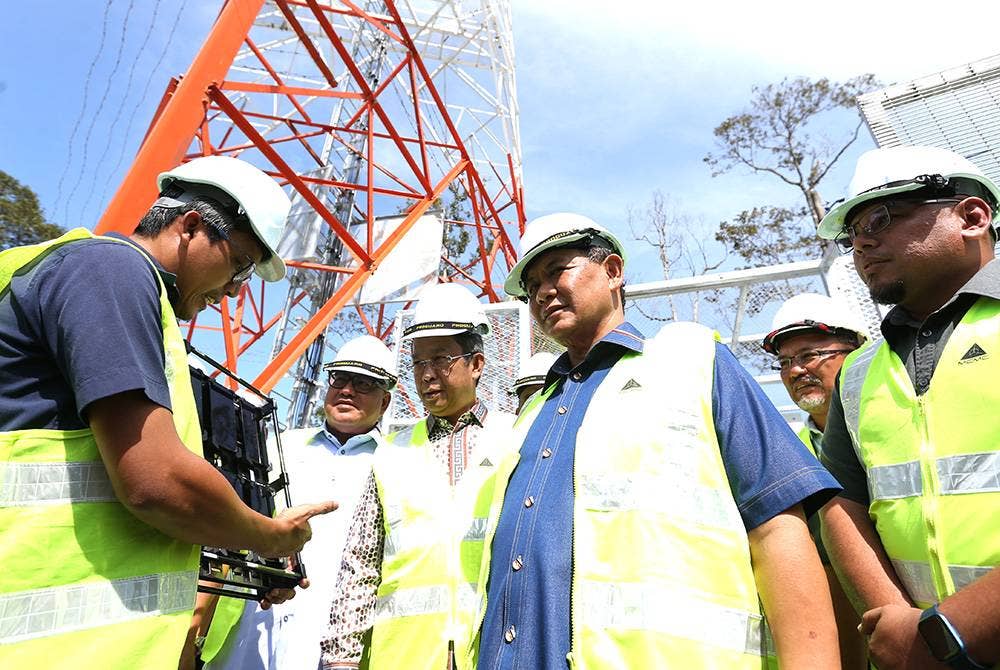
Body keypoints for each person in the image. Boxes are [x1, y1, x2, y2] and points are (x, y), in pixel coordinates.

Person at [0, 155, 335, 670]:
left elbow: (108, 508)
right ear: (193, 226)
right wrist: (268, 536)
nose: (234, 290)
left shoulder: (127, 294)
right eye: (241, 265)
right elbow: (155, 485)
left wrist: (247, 563)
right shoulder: (111, 271)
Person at [471, 212, 842, 669]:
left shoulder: (691, 360)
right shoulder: (530, 413)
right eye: (531, 287)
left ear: (612, 271)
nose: (542, 292)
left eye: (556, 271)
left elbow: (777, 526)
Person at [816, 145, 1000, 670]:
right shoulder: (859, 370)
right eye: (852, 233)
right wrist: (896, 623)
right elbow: (842, 502)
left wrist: (945, 633)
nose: (861, 243)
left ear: (971, 217)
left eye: (881, 217)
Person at [320, 282, 515, 670]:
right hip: (402, 657)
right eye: (418, 363)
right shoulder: (391, 451)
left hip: (490, 652)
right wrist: (340, 660)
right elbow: (360, 564)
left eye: (441, 360)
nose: (427, 375)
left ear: (476, 364)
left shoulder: (515, 437)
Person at [196, 335, 397, 669]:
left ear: (386, 401)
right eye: (340, 378)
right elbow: (225, 529)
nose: (347, 390)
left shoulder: (395, 461)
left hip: (335, 649)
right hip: (254, 633)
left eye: (364, 383)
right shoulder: (277, 446)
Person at [761, 292, 869, 669]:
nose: (794, 371)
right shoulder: (791, 453)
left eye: (809, 355)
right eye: (786, 361)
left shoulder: (892, 427)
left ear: (855, 352)